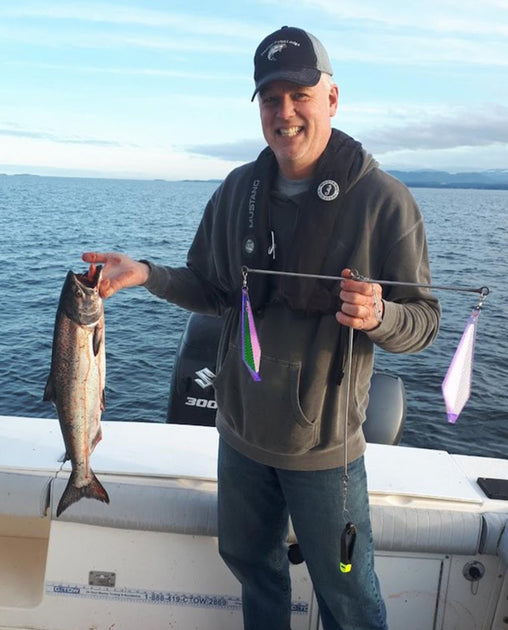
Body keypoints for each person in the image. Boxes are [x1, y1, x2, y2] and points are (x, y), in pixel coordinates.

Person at [84, 25, 440, 630]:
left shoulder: (385, 202)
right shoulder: (236, 192)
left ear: (332, 98)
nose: (285, 113)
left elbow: (424, 323)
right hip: (241, 436)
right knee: (251, 564)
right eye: (271, 99)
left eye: (300, 94)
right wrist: (146, 273)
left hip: (325, 453)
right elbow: (212, 289)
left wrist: (381, 315)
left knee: (348, 595)